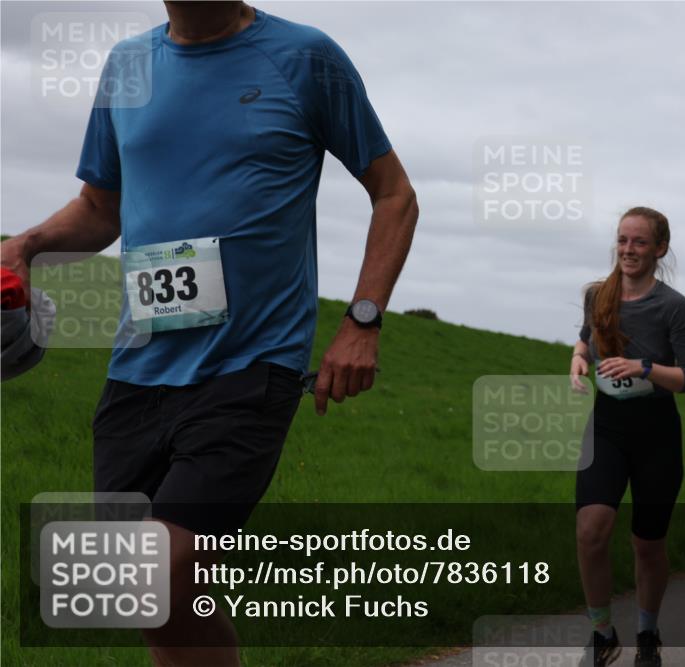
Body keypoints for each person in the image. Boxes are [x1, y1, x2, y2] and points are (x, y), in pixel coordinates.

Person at [0, 2, 418, 666]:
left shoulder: (306, 59)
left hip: (250, 364)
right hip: (137, 369)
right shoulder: (127, 65)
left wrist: (361, 322)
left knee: (161, 566)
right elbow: (98, 208)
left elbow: (394, 194)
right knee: (146, 592)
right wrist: (28, 242)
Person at [571, 206, 685, 667]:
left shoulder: (673, 306)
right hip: (607, 426)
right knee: (591, 530)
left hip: (656, 433)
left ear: (660, 249)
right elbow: (587, 336)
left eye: (639, 242)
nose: (628, 250)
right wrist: (579, 356)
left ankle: (647, 634)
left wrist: (644, 367)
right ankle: (602, 632)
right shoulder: (598, 294)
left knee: (647, 544)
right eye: (622, 240)